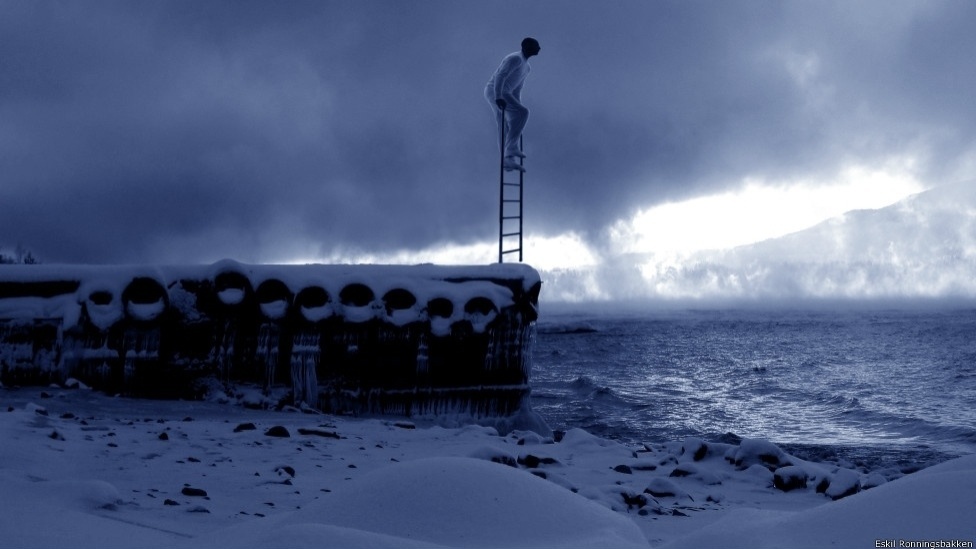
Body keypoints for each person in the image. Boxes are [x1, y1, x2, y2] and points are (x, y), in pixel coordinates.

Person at [486, 37, 541, 172]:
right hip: (496, 91)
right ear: (526, 47)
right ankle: (511, 148)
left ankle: (507, 160)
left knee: (505, 126)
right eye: (536, 45)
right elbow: (500, 76)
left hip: (506, 93)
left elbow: (517, 89)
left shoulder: (527, 67)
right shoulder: (515, 58)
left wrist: (517, 104)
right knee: (523, 113)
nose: (539, 48)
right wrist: (498, 96)